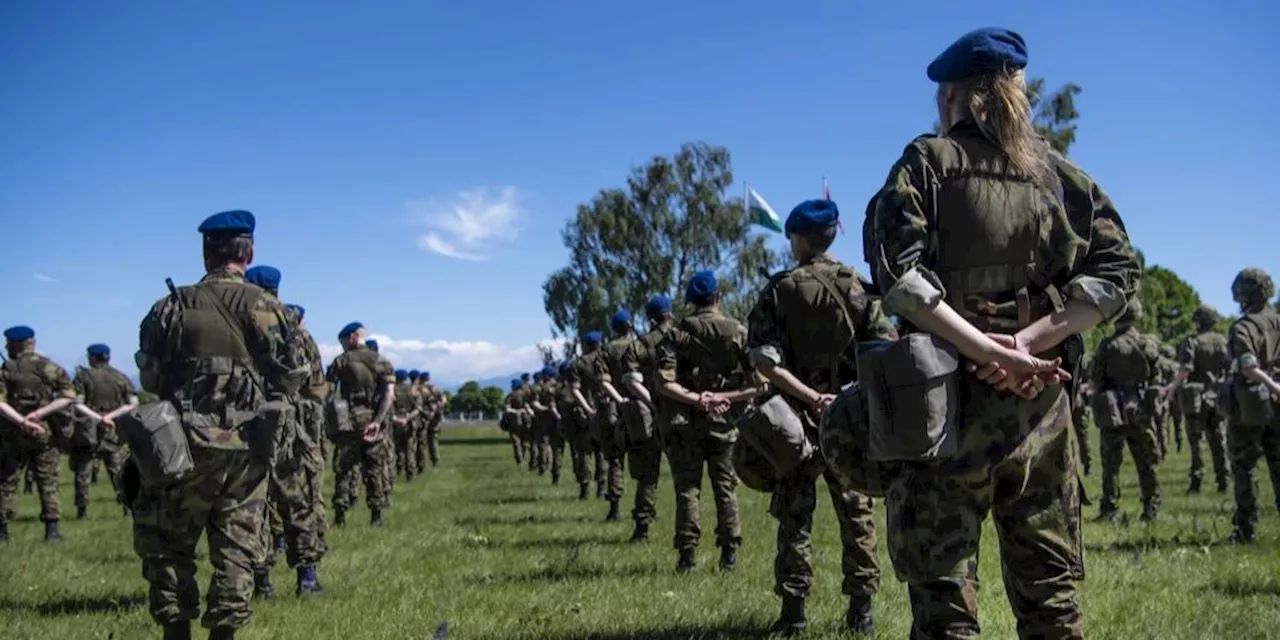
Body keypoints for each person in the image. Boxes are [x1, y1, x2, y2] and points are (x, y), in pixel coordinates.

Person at [864, 28, 1140, 638]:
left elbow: (896, 274)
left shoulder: (927, 163)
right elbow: (1118, 274)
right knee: (1051, 602)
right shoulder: (1062, 177)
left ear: (953, 96)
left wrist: (987, 348)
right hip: (1040, 411)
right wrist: (1030, 342)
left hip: (942, 411)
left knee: (945, 611)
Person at [132, 210, 309, 640]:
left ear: (207, 251)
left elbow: (151, 381)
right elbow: (292, 378)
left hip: (180, 446)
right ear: (249, 253)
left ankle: (177, 632)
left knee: (170, 547)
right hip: (248, 449)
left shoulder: (170, 306)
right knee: (238, 548)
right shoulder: (272, 309)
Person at [747, 199, 895, 636]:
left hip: (794, 417)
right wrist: (845, 396)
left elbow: (764, 362)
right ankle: (862, 614)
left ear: (798, 238)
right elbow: (886, 350)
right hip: (851, 416)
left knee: (794, 516)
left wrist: (810, 396)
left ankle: (793, 616)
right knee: (857, 513)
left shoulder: (780, 289)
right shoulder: (858, 286)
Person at [657, 271, 760, 573]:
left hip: (686, 423)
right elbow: (759, 385)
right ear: (718, 298)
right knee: (725, 489)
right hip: (725, 424)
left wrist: (698, 398)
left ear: (691, 301)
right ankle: (729, 555)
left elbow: (665, 384)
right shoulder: (738, 332)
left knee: (688, 490)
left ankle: (687, 557)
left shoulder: (676, 334)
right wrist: (723, 396)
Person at [0, 325, 76, 543]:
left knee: (6, 481)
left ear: (15, 344)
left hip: (11, 432)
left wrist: (21, 420)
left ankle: (2, 532)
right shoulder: (48, 367)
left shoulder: (6, 369)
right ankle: (52, 531)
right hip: (43, 431)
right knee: (48, 480)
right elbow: (68, 396)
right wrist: (39, 413)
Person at [1091, 300, 1163, 522]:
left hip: (1113, 409)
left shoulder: (1107, 344)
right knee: (1146, 461)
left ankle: (1109, 509)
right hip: (1140, 408)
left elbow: (1096, 380)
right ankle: (1151, 508)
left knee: (1111, 463)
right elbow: (1156, 378)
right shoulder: (1148, 344)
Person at [1223, 268, 1280, 544]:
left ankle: (1246, 530)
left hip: (1250, 406)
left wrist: (1271, 386)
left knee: (1245, 467)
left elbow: (1247, 366)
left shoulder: (1244, 326)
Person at [327, 322, 396, 527]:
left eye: (343, 342)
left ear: (353, 337)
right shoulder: (382, 361)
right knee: (374, 469)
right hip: (374, 423)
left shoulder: (340, 361)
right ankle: (376, 516)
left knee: (344, 469)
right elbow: (389, 395)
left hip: (347, 421)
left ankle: (340, 516)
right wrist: (377, 421)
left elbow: (328, 393)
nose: (343, 347)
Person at [620, 296, 675, 543]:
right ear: (669, 314)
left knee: (648, 474)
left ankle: (642, 528)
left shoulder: (638, 346)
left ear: (649, 319)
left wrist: (653, 402)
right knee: (687, 479)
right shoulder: (682, 339)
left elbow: (631, 382)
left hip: (651, 415)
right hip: (683, 412)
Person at [1162, 305, 1232, 493]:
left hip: (1196, 398)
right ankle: (1224, 479)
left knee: (1196, 440)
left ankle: (1197, 480)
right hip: (1217, 395)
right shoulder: (1222, 341)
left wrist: (1173, 387)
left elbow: (1186, 368)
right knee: (1219, 438)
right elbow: (1229, 368)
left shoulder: (1192, 340)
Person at [69, 343, 138, 520]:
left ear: (92, 357)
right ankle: (127, 509)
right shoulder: (120, 377)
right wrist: (110, 417)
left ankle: (82, 512)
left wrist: (98, 418)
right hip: (114, 431)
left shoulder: (82, 377)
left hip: (88, 432)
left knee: (83, 472)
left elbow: (77, 403)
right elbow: (132, 404)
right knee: (119, 471)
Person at [598, 310, 639, 521]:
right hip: (640, 408)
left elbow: (602, 381)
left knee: (615, 459)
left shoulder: (606, 350)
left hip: (614, 408)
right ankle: (645, 510)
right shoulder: (640, 345)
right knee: (645, 460)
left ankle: (614, 509)